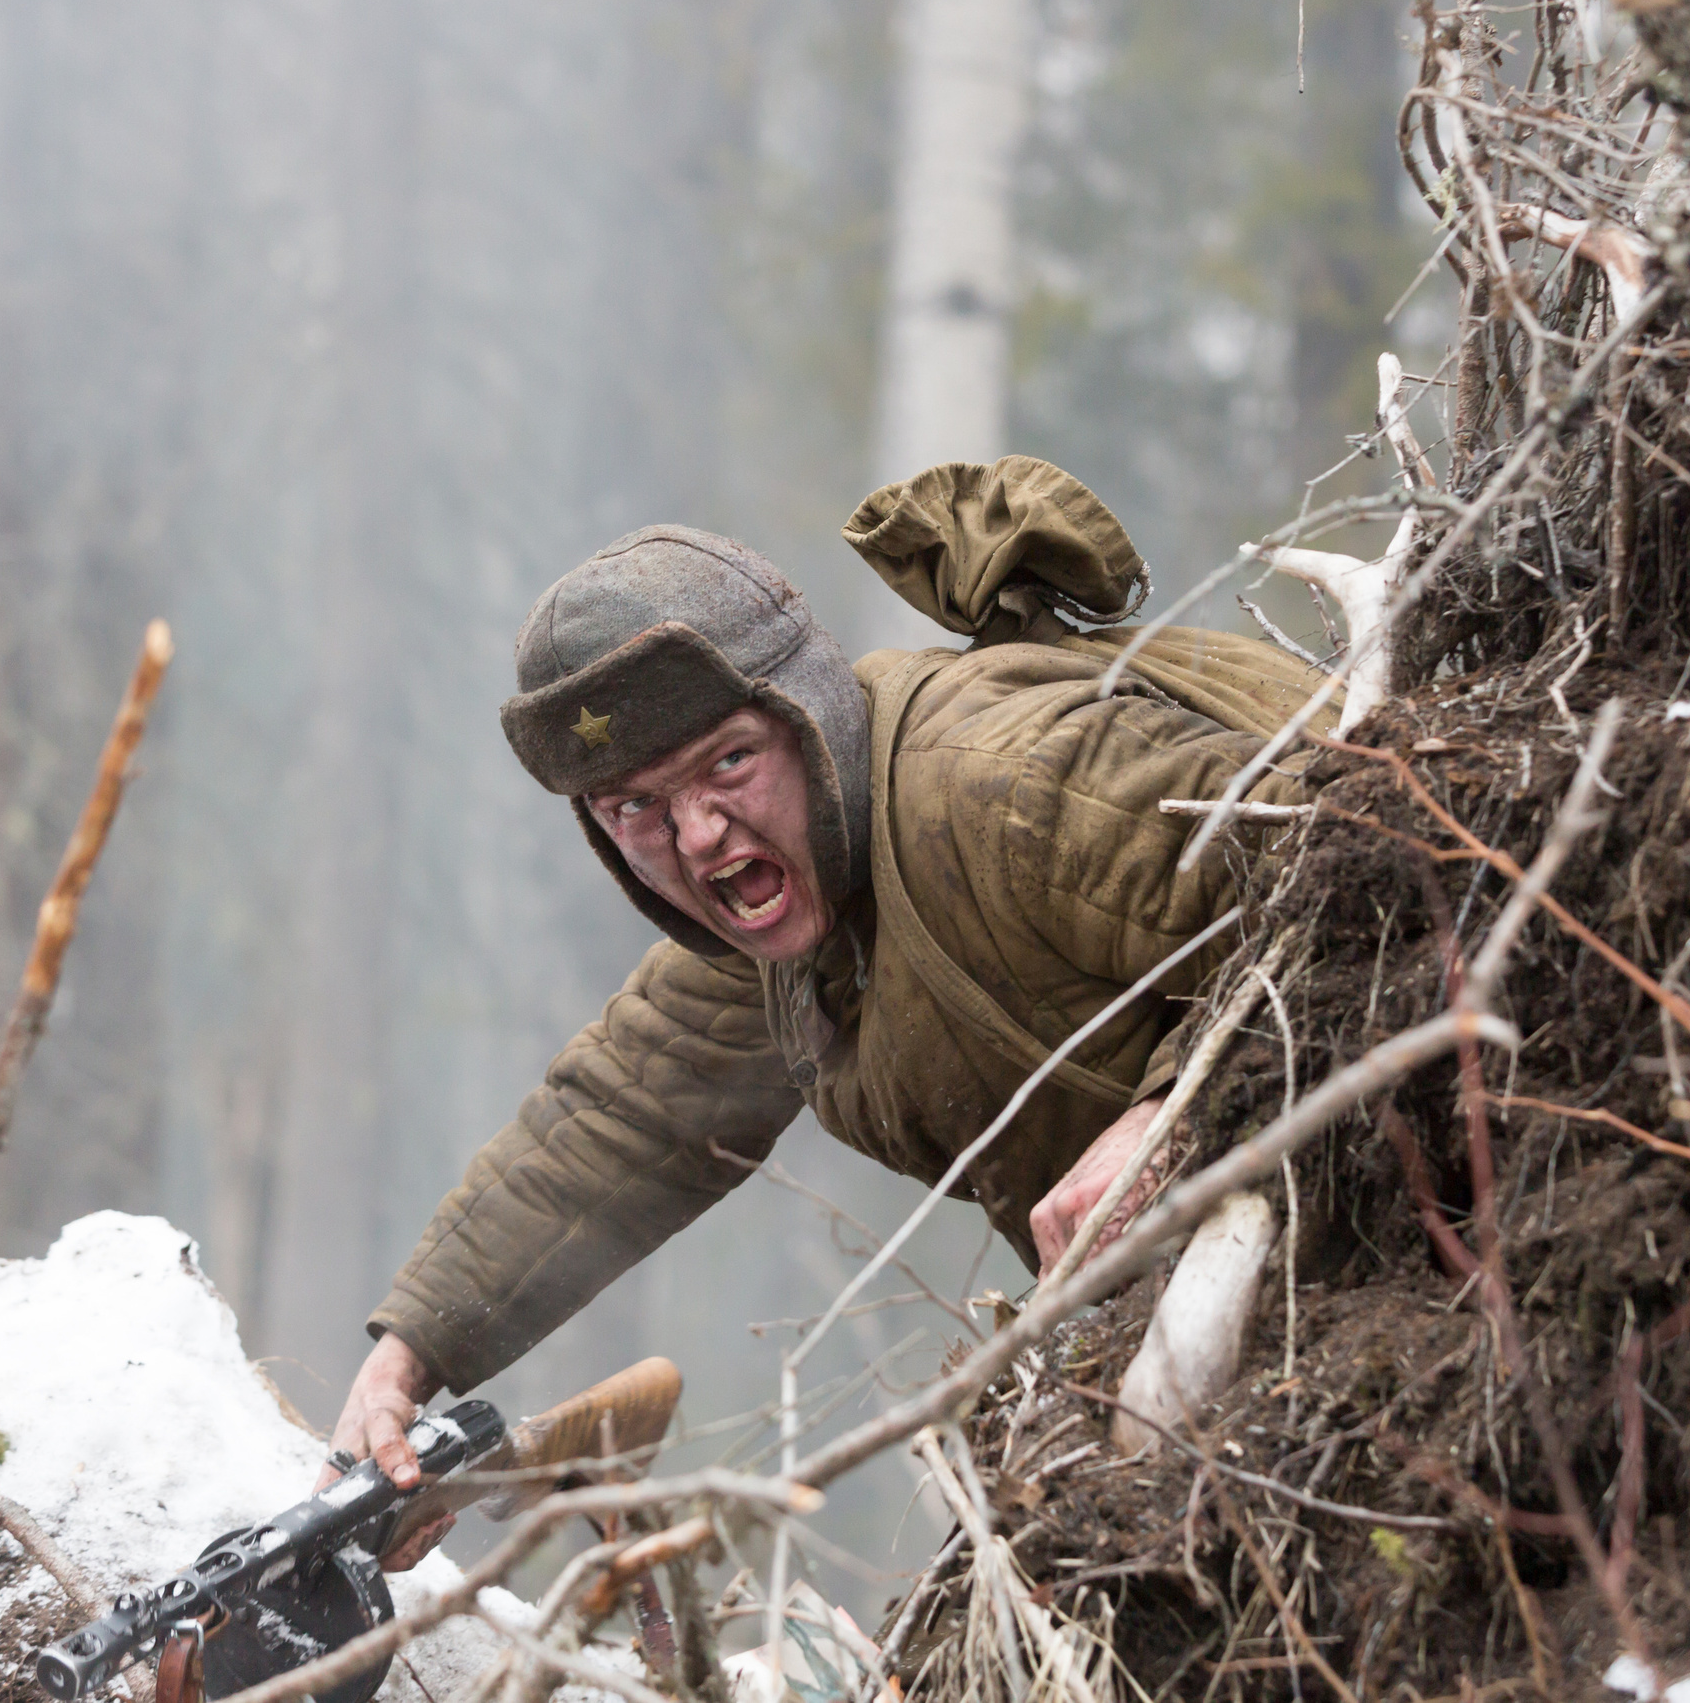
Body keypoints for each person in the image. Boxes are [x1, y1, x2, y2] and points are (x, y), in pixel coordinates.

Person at [323, 458, 1323, 1563]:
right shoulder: (767, 933)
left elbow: (1356, 866)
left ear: (814, 718)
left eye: (730, 764)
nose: (697, 835)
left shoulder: (998, 786)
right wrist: (408, 1359)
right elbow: (618, 1118)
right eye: (636, 809)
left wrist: (1175, 1113)